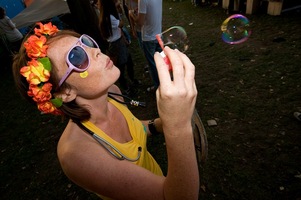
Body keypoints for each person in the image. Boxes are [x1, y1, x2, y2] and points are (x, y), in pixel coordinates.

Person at [13, 22, 199, 200]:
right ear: (65, 92)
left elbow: (134, 128)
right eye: (76, 56)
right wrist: (178, 127)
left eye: (85, 42)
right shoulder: (76, 155)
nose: (96, 51)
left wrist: (159, 124)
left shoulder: (112, 92)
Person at [98, 0, 139, 95]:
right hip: (116, 44)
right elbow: (121, 24)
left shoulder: (107, 15)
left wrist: (124, 39)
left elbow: (119, 29)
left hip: (118, 41)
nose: (117, 1)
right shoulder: (110, 17)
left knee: (128, 62)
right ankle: (126, 87)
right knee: (121, 66)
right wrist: (119, 10)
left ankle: (132, 81)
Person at [129, 0, 163, 91]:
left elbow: (140, 23)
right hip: (159, 34)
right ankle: (166, 81)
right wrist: (140, 10)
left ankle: (158, 86)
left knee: (152, 64)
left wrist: (132, 14)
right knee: (161, 61)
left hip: (149, 37)